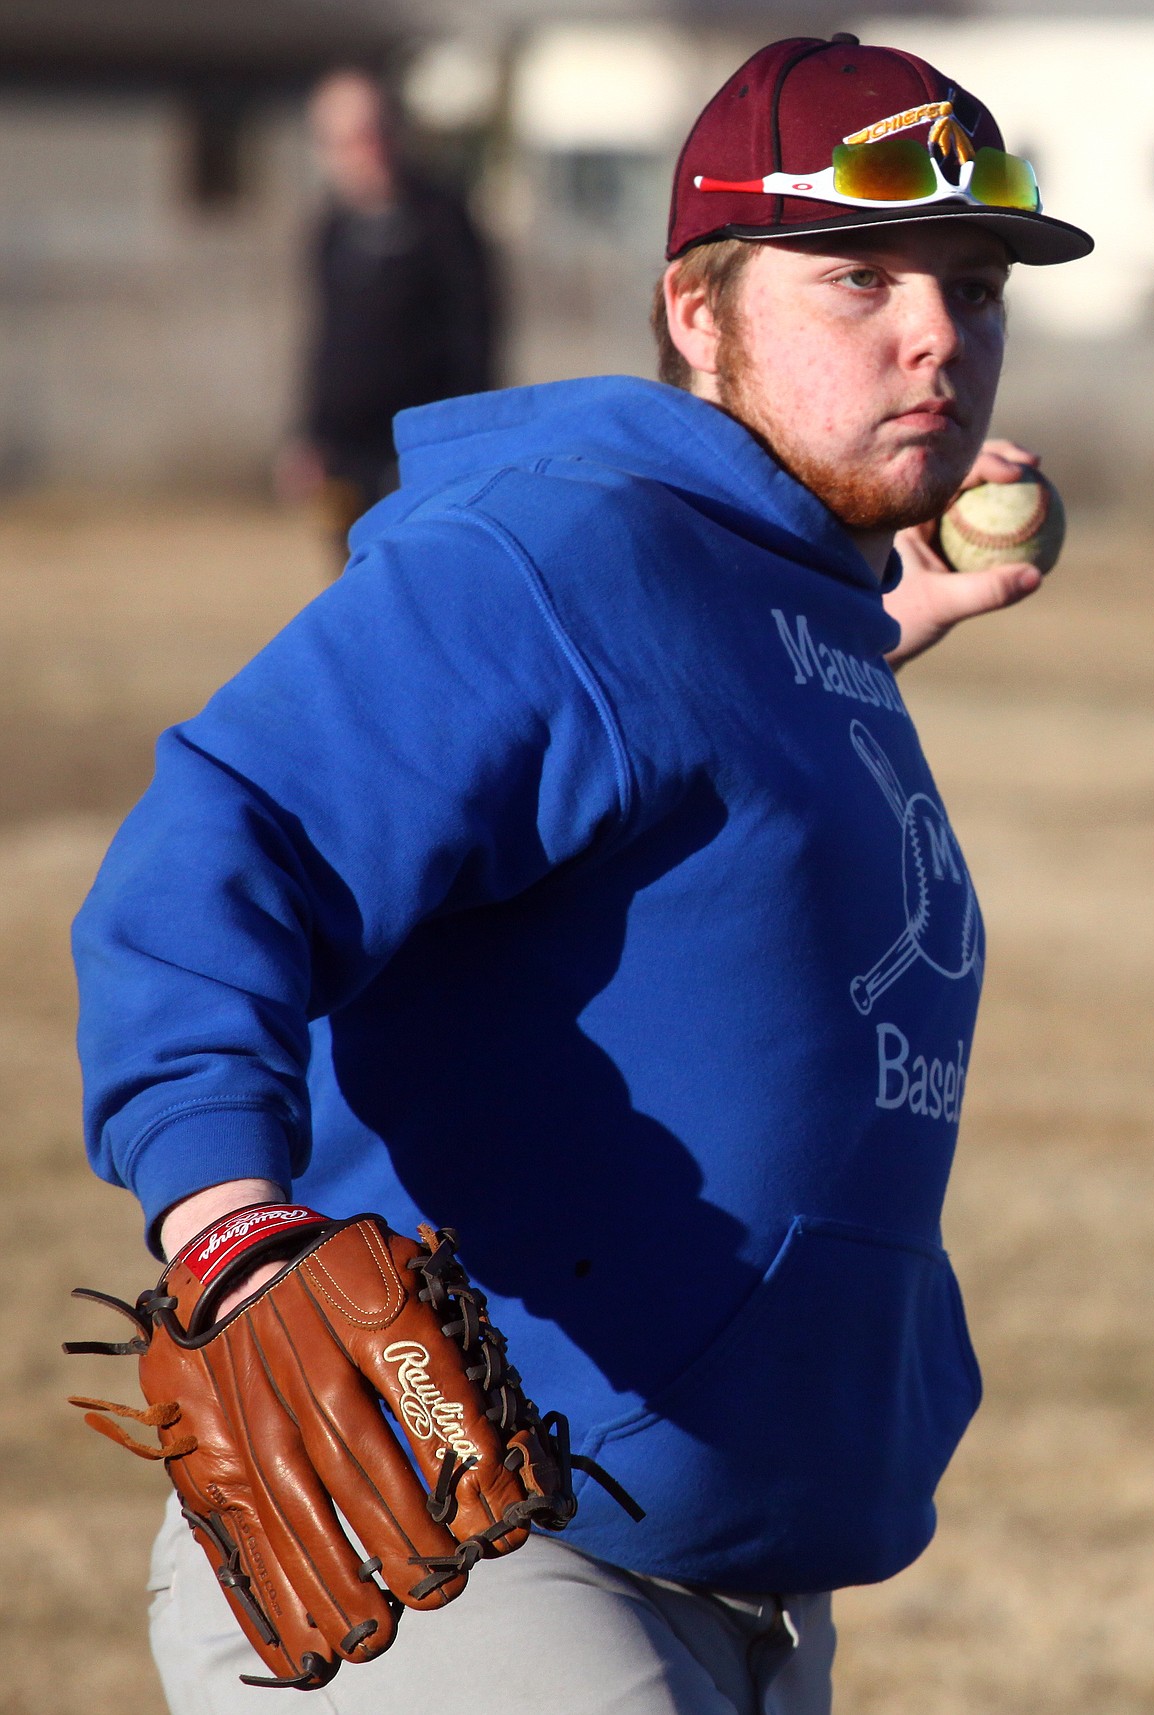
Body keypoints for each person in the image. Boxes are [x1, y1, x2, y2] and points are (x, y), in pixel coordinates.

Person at [73, 34, 1092, 1715]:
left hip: (738, 1594)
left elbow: (670, 814)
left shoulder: (779, 615)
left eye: (974, 286)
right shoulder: (558, 552)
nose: (936, 333)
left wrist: (843, 645)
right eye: (859, 281)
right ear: (697, 310)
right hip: (463, 1556)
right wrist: (226, 1226)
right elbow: (220, 840)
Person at [276, 69, 497, 571]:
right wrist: (308, 434)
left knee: (421, 576)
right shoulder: (330, 231)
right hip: (346, 450)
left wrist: (464, 443)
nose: (367, 149)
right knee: (351, 579)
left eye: (376, 131)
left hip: (423, 447)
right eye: (349, 140)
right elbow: (324, 340)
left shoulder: (444, 222)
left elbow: (475, 339)